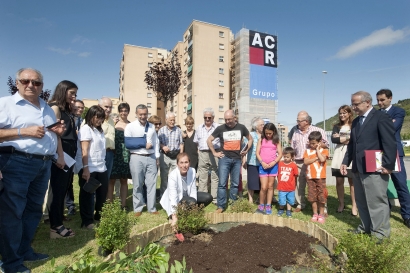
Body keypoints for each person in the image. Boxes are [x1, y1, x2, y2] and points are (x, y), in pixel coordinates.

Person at [0, 68, 65, 273]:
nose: (31, 85)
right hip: (16, 163)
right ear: (18, 83)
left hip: (43, 164)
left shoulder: (45, 107)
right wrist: (23, 131)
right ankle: (11, 263)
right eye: (26, 81)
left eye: (36, 83)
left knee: (33, 211)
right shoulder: (6, 104)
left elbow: (49, 132)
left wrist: (57, 131)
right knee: (13, 214)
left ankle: (24, 250)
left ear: (41, 86)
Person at [341, 91, 396, 239]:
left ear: (367, 102)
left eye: (356, 104)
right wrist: (346, 161)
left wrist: (388, 164)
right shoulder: (357, 121)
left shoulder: (381, 117)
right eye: (352, 104)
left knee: (376, 200)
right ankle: (365, 227)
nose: (353, 107)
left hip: (375, 166)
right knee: (362, 200)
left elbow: (389, 143)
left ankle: (380, 233)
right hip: (358, 167)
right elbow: (352, 144)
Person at [48, 80, 79, 238]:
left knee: (63, 188)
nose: (74, 97)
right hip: (62, 153)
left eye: (75, 93)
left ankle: (58, 220)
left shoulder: (66, 109)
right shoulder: (54, 107)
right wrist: (60, 156)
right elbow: (55, 135)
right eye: (71, 93)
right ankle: (56, 227)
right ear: (63, 90)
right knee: (58, 190)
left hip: (69, 153)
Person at [376, 89, 410, 228]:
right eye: (378, 100)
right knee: (380, 185)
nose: (379, 103)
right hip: (378, 153)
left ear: (390, 98)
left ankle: (407, 214)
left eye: (382, 100)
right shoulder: (376, 113)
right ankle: (385, 212)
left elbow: (392, 127)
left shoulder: (398, 111)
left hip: (394, 153)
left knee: (400, 185)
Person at [207, 110, 252, 213]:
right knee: (222, 184)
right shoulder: (220, 128)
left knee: (235, 183)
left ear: (234, 118)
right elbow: (209, 140)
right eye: (226, 119)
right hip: (224, 159)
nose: (227, 121)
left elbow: (250, 139)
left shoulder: (241, 127)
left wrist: (246, 150)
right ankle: (221, 206)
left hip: (237, 160)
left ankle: (233, 204)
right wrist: (214, 152)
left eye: (229, 119)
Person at [160, 153, 213, 229]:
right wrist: (174, 216)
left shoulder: (192, 171)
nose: (184, 165)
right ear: (177, 164)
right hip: (177, 198)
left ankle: (190, 213)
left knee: (208, 197)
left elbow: (193, 189)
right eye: (181, 163)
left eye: (186, 162)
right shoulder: (173, 175)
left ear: (189, 163)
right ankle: (179, 215)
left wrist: (194, 207)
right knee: (191, 202)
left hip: (188, 196)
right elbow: (173, 196)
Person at [76, 106, 108, 229]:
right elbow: (84, 149)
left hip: (101, 166)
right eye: (97, 117)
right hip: (89, 166)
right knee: (87, 194)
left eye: (101, 117)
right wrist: (85, 168)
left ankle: (98, 215)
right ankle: (87, 221)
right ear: (91, 116)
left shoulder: (99, 131)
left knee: (102, 193)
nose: (100, 120)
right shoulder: (86, 129)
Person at [125, 104, 160, 216]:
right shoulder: (130, 127)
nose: (143, 116)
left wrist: (157, 157)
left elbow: (155, 143)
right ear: (136, 114)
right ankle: (138, 208)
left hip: (151, 157)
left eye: (145, 114)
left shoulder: (152, 127)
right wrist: (143, 144)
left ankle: (152, 208)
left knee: (151, 184)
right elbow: (128, 144)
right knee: (137, 184)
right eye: (140, 114)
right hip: (136, 157)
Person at [291, 111, 329, 213]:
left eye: (299, 121)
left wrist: (316, 145)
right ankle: (300, 204)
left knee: (320, 187)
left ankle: (323, 209)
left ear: (306, 121)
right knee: (299, 185)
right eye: (297, 120)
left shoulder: (318, 130)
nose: (297, 122)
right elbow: (293, 147)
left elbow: (327, 145)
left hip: (316, 164)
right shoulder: (295, 132)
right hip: (299, 162)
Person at [331, 105, 357, 215]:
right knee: (339, 181)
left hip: (351, 154)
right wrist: (348, 138)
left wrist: (342, 137)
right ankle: (341, 204)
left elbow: (355, 139)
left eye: (344, 113)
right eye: (340, 113)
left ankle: (354, 206)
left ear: (349, 113)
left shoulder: (354, 124)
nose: (342, 115)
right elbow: (334, 139)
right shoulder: (336, 126)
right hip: (338, 155)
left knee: (352, 182)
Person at [193, 108, 220, 204]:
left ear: (213, 117)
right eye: (205, 117)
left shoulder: (218, 127)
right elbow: (196, 142)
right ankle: (203, 197)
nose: (207, 119)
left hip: (215, 153)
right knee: (202, 176)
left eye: (209, 117)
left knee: (215, 176)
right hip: (203, 153)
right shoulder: (199, 128)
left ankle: (214, 198)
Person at [107, 103, 131, 209]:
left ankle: (123, 204)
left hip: (126, 155)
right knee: (111, 180)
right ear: (119, 112)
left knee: (124, 180)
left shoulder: (131, 125)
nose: (123, 113)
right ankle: (110, 205)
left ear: (128, 112)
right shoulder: (114, 124)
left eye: (125, 110)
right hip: (115, 154)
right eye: (121, 110)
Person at [255, 123, 282, 215]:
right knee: (263, 187)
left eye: (270, 133)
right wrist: (262, 162)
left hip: (273, 166)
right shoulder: (261, 140)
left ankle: (268, 205)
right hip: (263, 166)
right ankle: (261, 204)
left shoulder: (276, 141)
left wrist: (274, 162)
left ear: (274, 132)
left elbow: (280, 154)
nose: (268, 135)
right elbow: (257, 153)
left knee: (270, 187)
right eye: (266, 133)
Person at [65, 99, 85, 216]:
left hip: (80, 155)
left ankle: (84, 204)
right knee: (68, 182)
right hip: (68, 154)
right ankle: (70, 206)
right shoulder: (68, 120)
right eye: (77, 107)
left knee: (83, 180)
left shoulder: (84, 121)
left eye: (82, 107)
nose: (80, 109)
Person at [304, 131, 329, 224]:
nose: (312, 145)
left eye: (314, 143)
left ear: (319, 142)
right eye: (310, 143)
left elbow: (322, 159)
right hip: (310, 177)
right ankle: (315, 213)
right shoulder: (307, 151)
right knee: (312, 196)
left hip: (320, 177)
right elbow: (306, 162)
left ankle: (321, 214)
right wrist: (315, 158)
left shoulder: (324, 151)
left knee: (321, 196)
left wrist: (318, 150)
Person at [97, 97, 115, 220]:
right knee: (96, 181)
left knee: (106, 181)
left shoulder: (111, 121)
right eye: (106, 107)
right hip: (98, 154)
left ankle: (101, 206)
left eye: (110, 107)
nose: (108, 109)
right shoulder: (94, 119)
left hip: (109, 154)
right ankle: (95, 207)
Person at [158, 112, 184, 197]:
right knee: (164, 177)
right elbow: (158, 143)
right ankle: (163, 196)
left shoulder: (178, 130)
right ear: (166, 120)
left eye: (173, 120)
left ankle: (174, 195)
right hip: (165, 156)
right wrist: (163, 146)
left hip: (175, 155)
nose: (172, 122)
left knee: (175, 177)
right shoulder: (161, 130)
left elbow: (181, 143)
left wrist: (181, 156)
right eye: (171, 120)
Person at [242, 117, 264, 204]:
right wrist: (243, 159)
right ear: (256, 126)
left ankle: (259, 198)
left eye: (263, 124)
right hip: (252, 161)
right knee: (251, 181)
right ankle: (250, 199)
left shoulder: (265, 135)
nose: (263, 126)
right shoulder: (250, 135)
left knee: (261, 182)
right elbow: (245, 147)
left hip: (263, 162)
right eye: (261, 125)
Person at [277, 147, 298, 218]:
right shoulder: (280, 164)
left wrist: (294, 185)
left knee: (290, 200)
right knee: (281, 199)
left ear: (292, 157)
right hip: (282, 187)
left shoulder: (293, 165)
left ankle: (288, 210)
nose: (285, 158)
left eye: (287, 157)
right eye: (284, 156)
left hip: (290, 187)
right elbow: (277, 174)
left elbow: (295, 175)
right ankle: (281, 209)